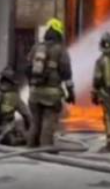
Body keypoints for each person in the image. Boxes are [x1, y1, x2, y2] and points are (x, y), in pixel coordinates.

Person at [26, 18, 75, 148]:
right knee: (48, 120)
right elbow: (66, 73)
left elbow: (27, 69)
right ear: (59, 33)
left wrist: (32, 86)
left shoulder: (36, 47)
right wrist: (71, 93)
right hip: (52, 94)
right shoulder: (60, 50)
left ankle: (31, 147)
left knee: (35, 121)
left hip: (34, 92)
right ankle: (46, 148)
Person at [0, 66, 31, 146]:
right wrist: (29, 130)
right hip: (5, 129)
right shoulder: (14, 97)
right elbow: (27, 115)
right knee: (16, 141)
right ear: (11, 83)